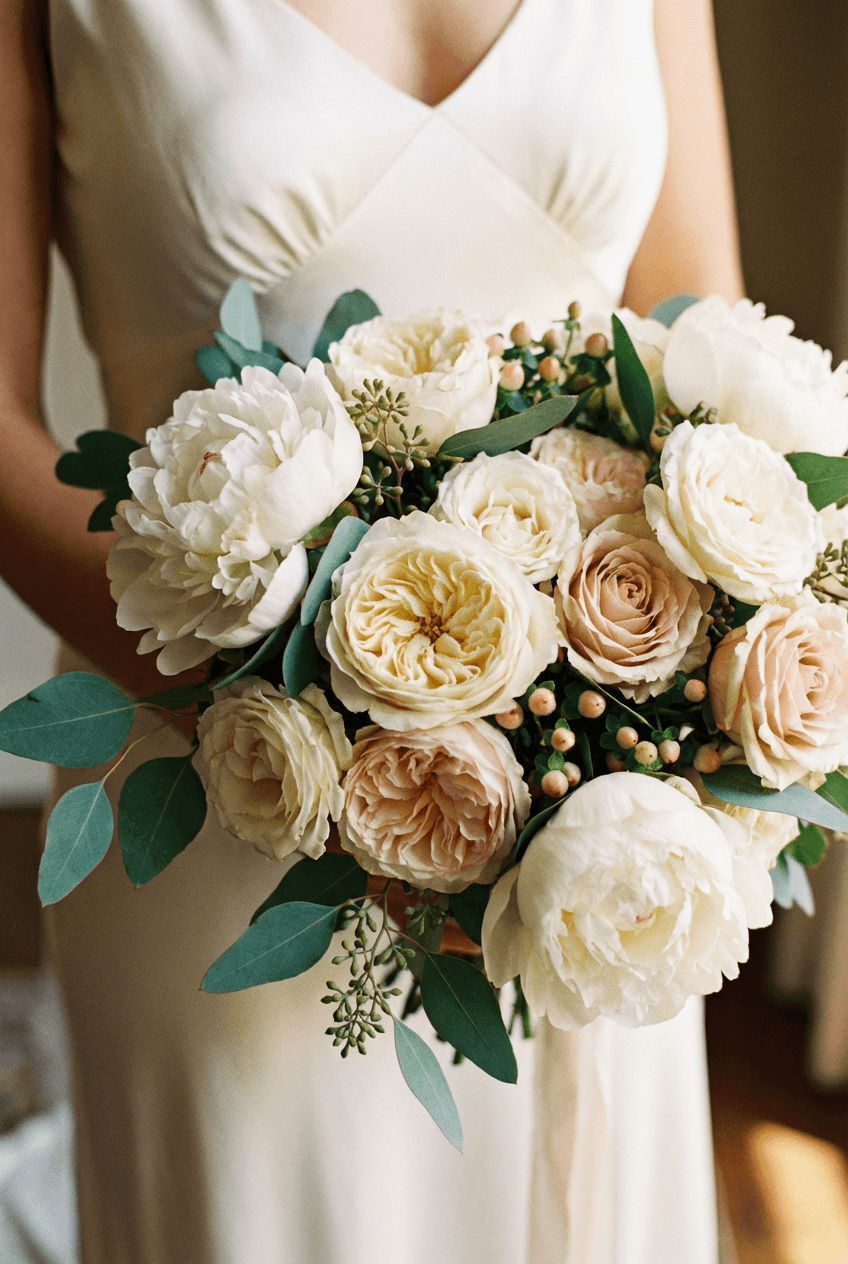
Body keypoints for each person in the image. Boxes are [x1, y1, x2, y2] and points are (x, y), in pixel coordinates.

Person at [2, 0, 745, 1260]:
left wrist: (649, 700)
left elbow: (699, 335)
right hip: (230, 784)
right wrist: (325, 730)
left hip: (597, 802)